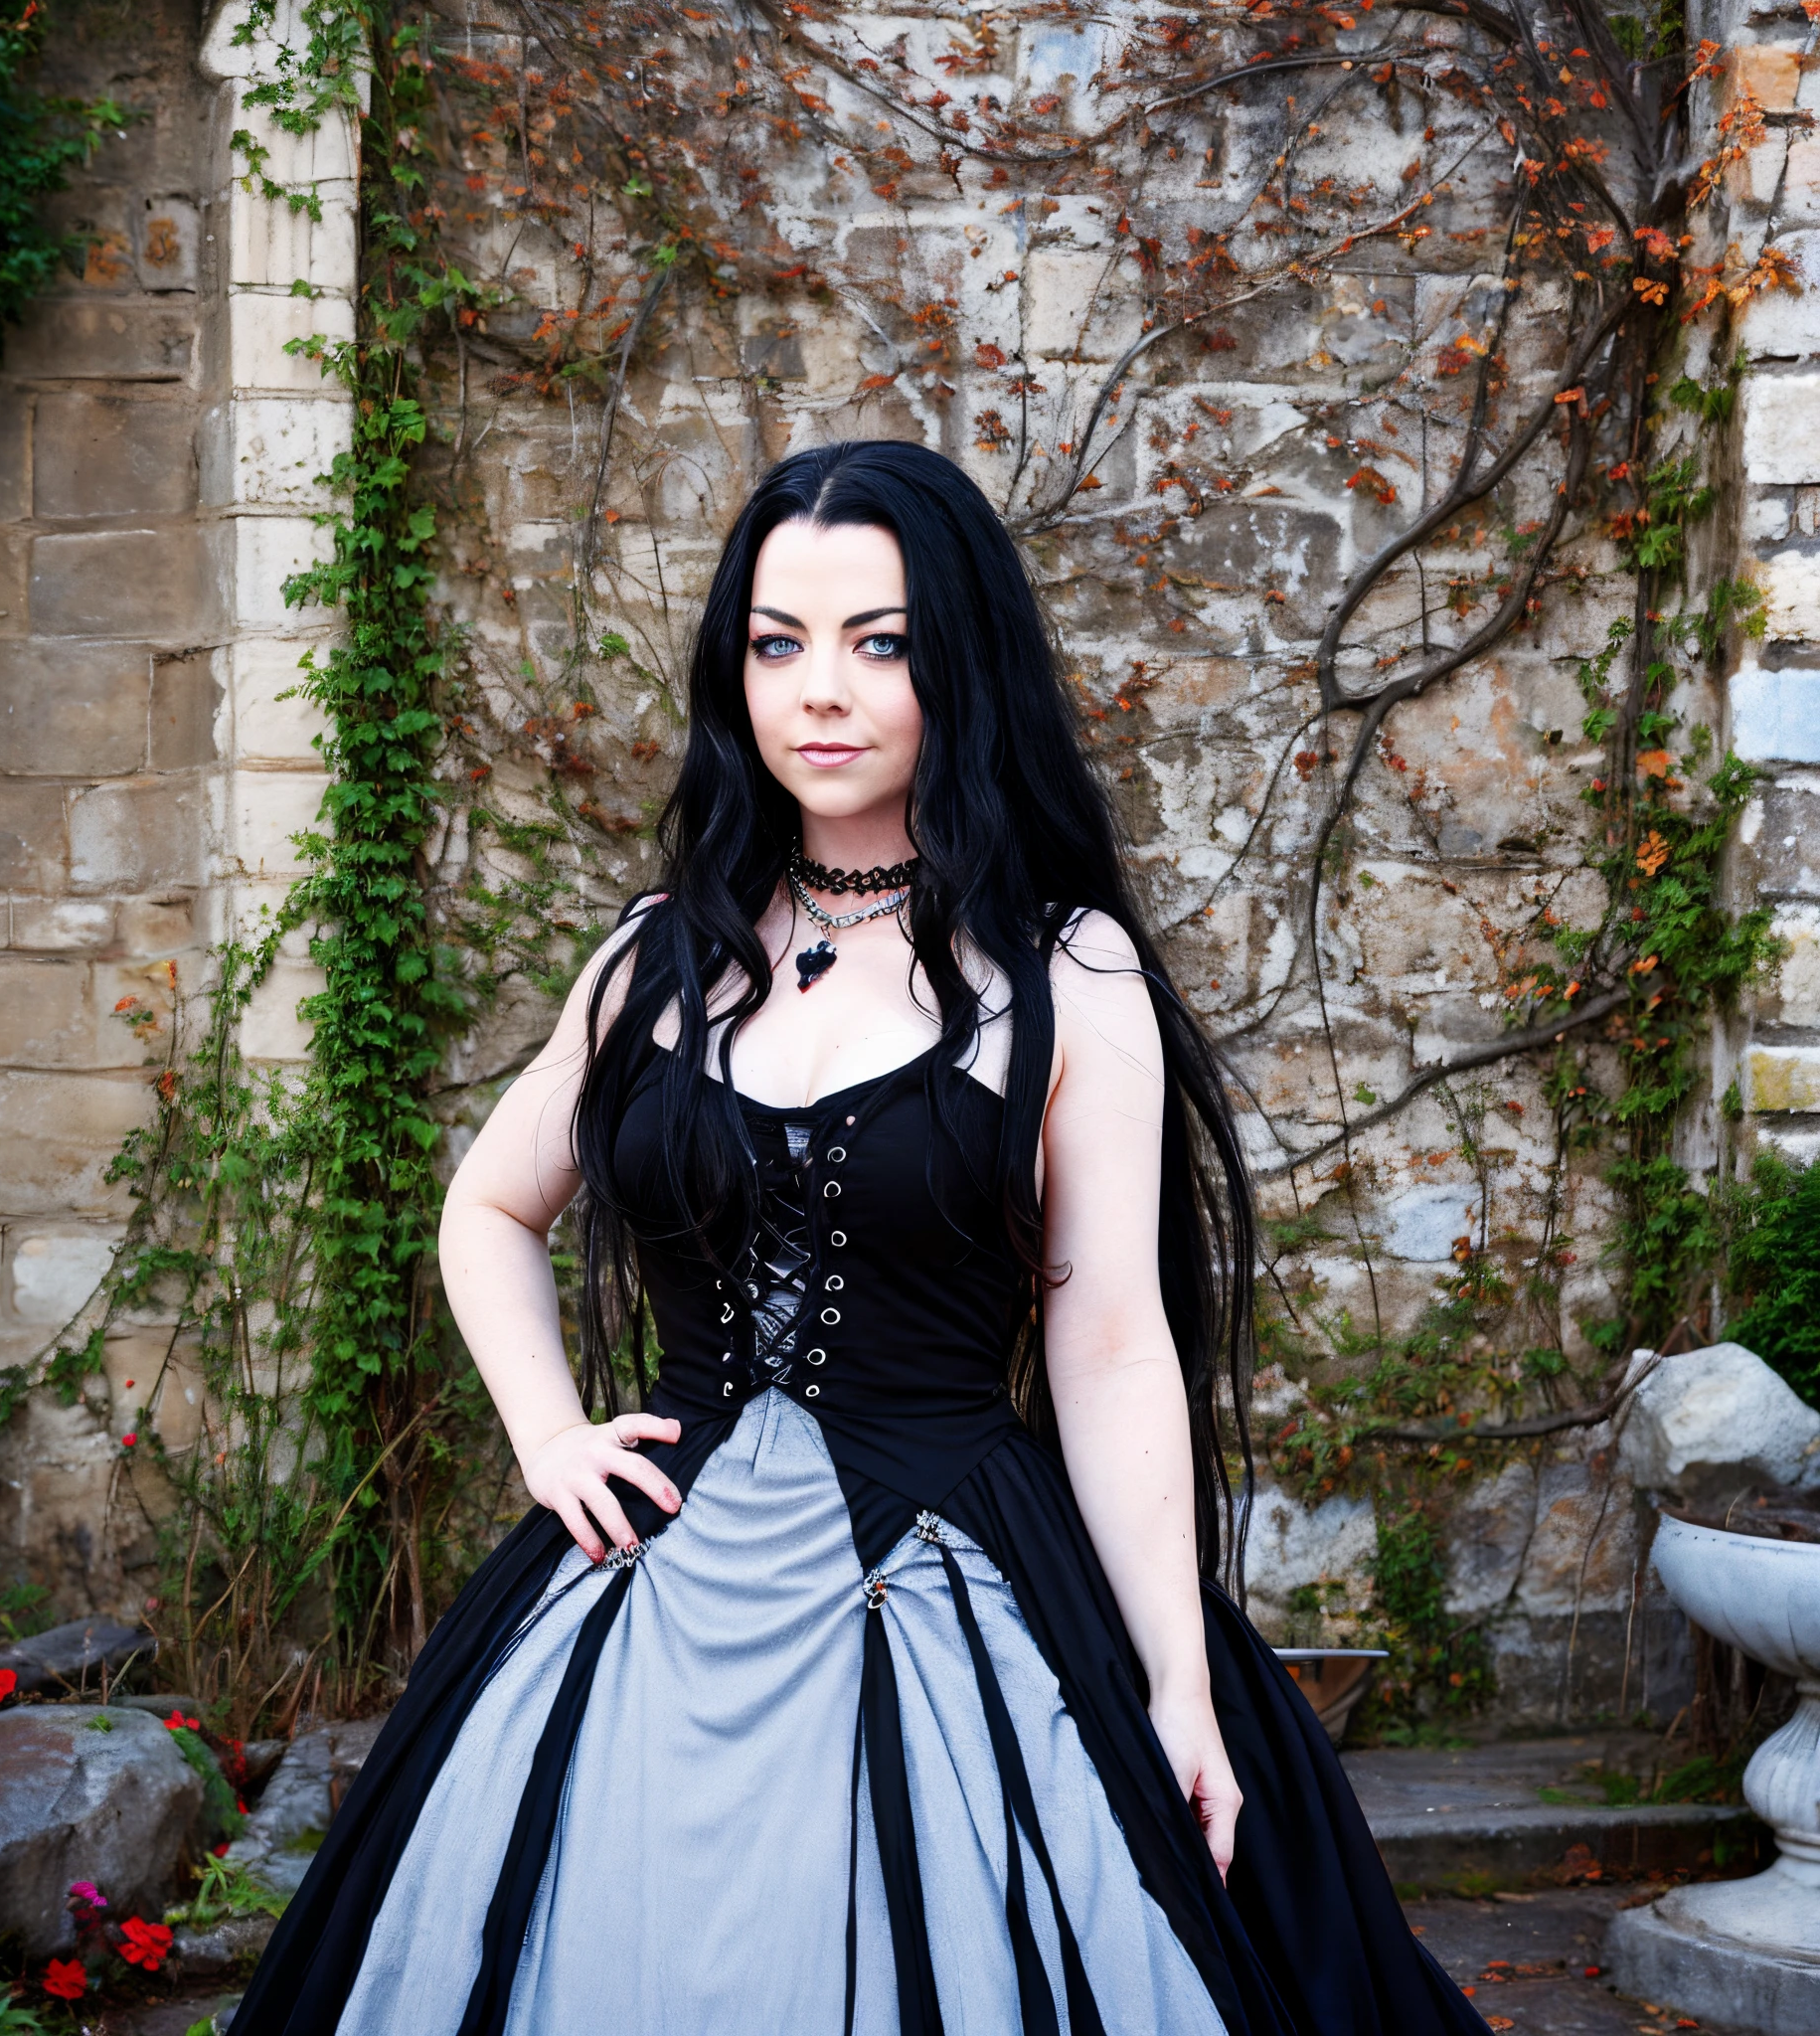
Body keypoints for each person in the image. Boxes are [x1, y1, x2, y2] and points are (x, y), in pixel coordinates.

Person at [229, 440, 1486, 2035]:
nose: (820, 691)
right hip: (640, 1590)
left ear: (958, 661)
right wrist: (548, 1436)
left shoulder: (1065, 975)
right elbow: (487, 1206)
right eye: (778, 643)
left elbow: (1106, 1342)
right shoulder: (652, 960)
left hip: (958, 1581)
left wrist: (1177, 1673)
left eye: (877, 643)